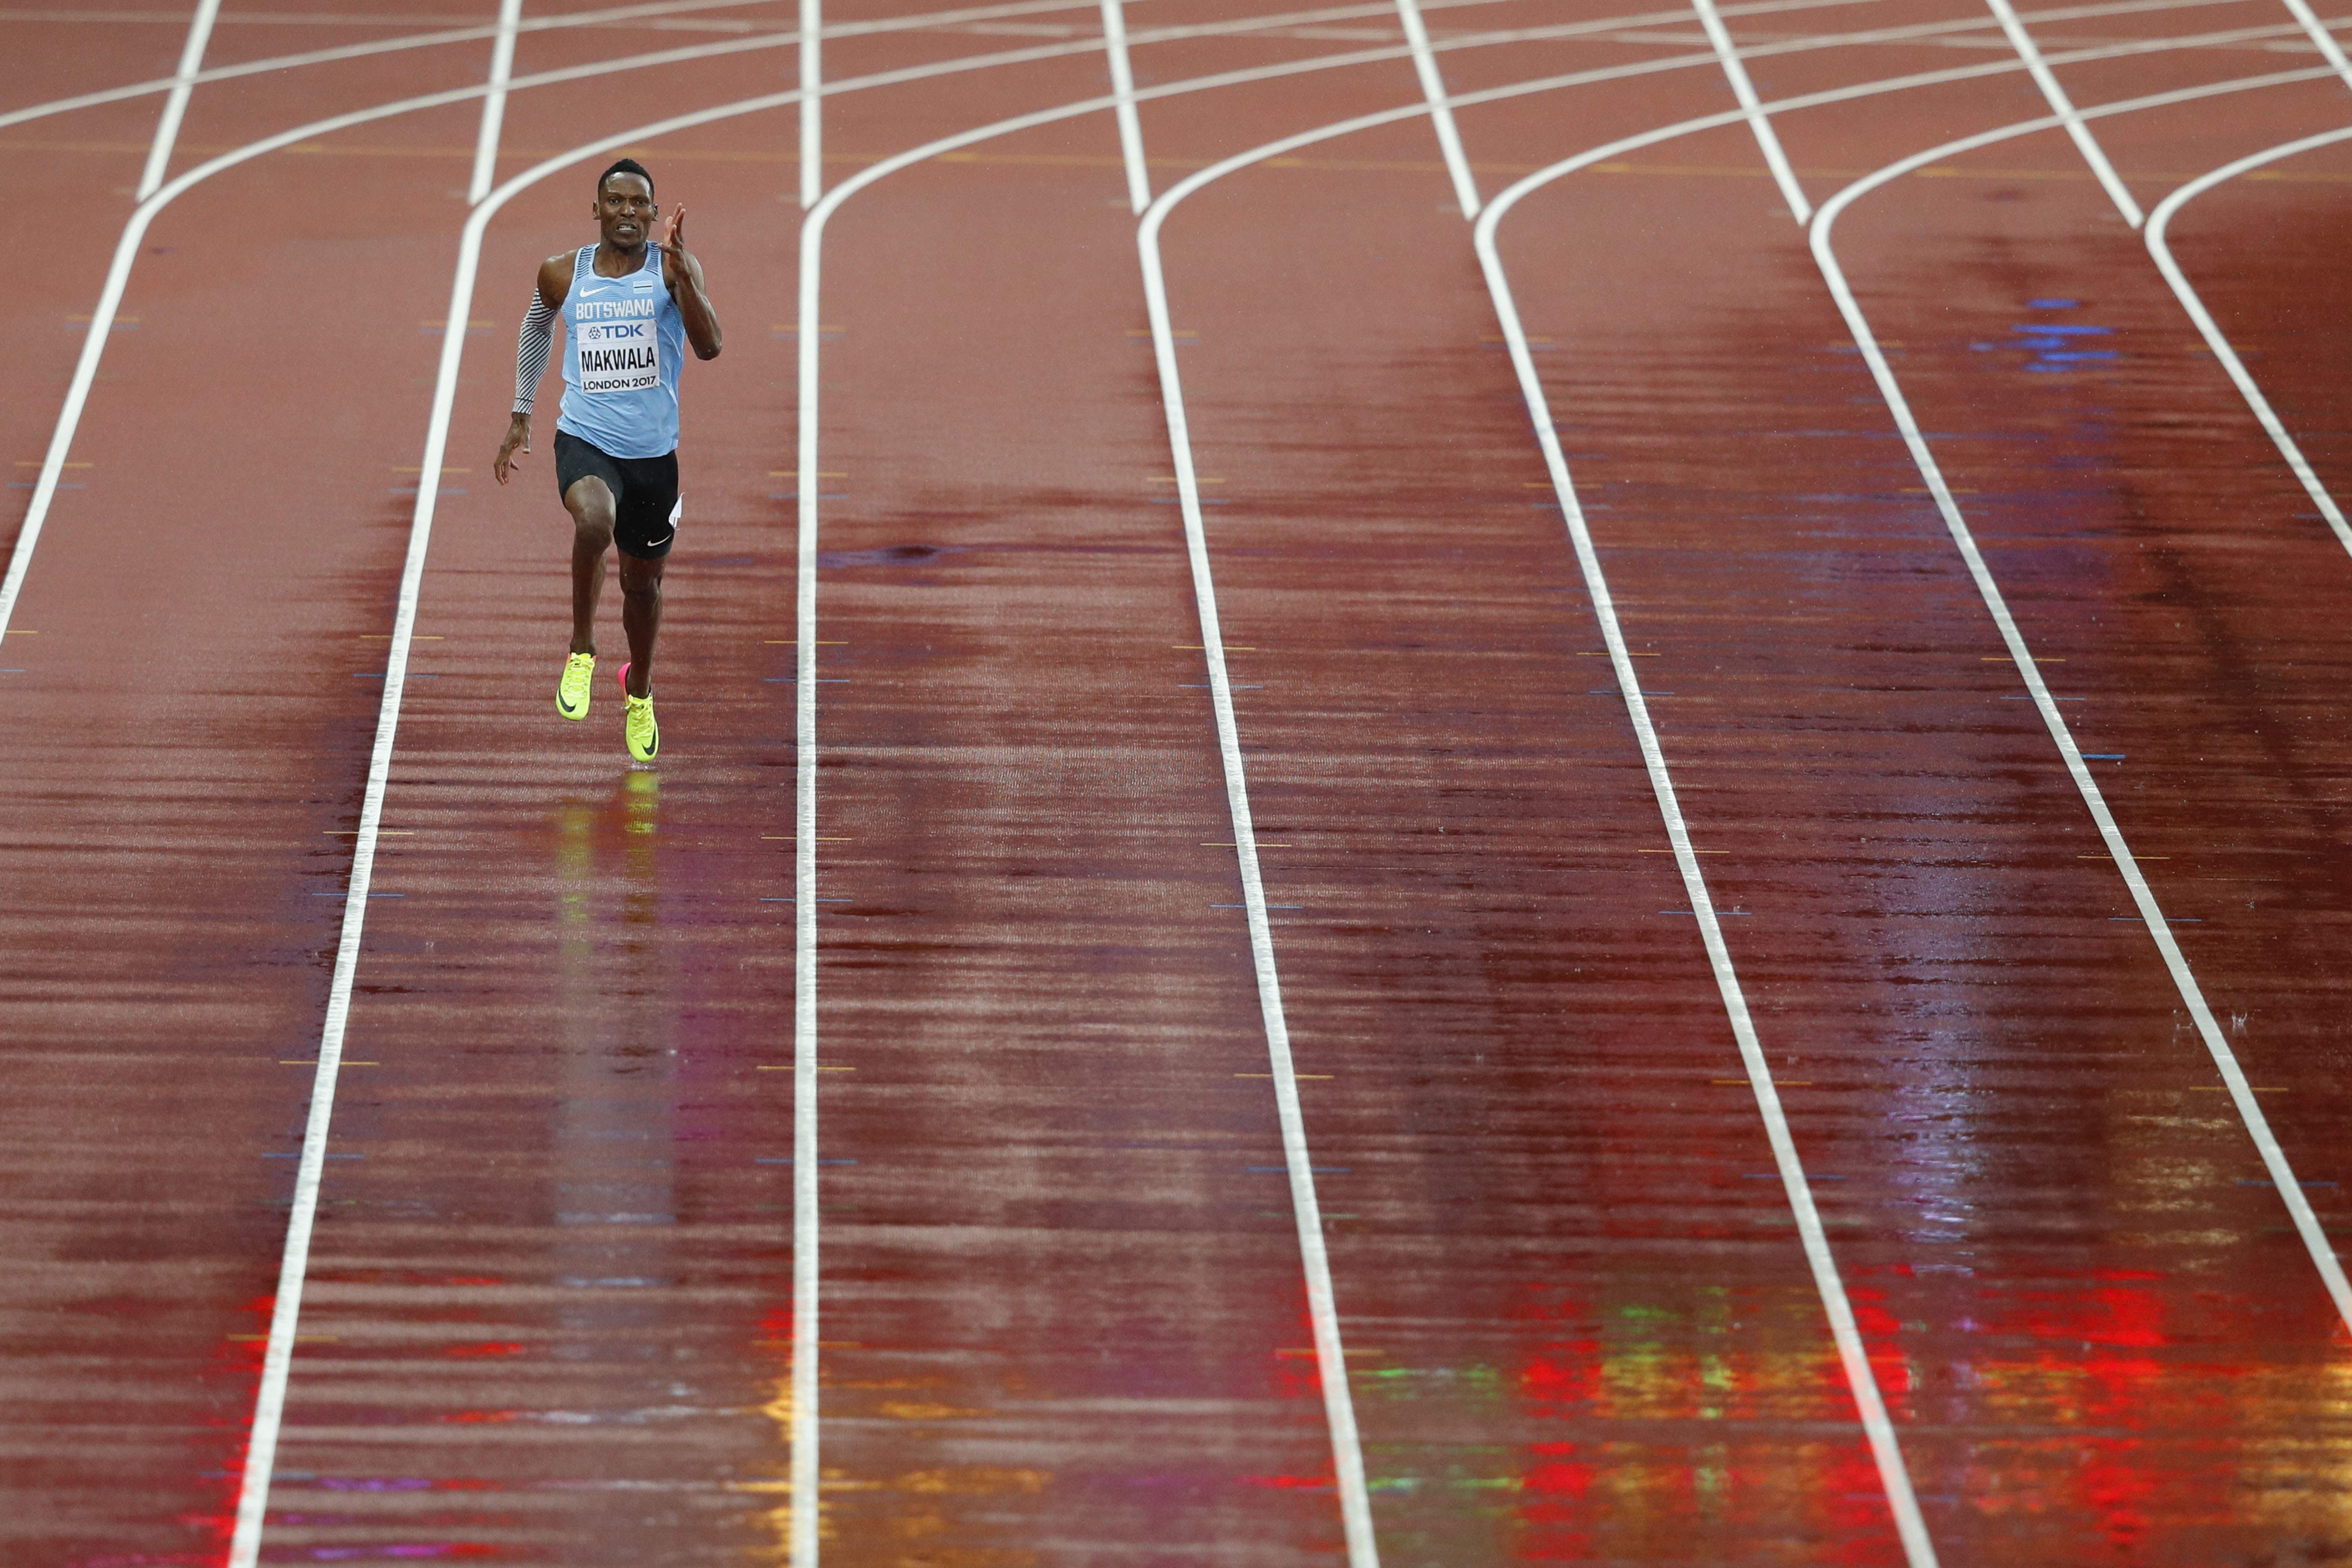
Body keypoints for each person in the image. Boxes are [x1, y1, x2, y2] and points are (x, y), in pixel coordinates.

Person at [494, 156, 723, 762]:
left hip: (654, 457)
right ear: (596, 210)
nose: (628, 212)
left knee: (641, 587)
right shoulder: (563, 273)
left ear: (654, 212)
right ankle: (581, 650)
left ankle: (640, 690)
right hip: (585, 439)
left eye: (638, 204)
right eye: (615, 202)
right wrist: (522, 413)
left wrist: (684, 277)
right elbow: (537, 325)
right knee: (593, 519)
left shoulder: (673, 271)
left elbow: (711, 347)